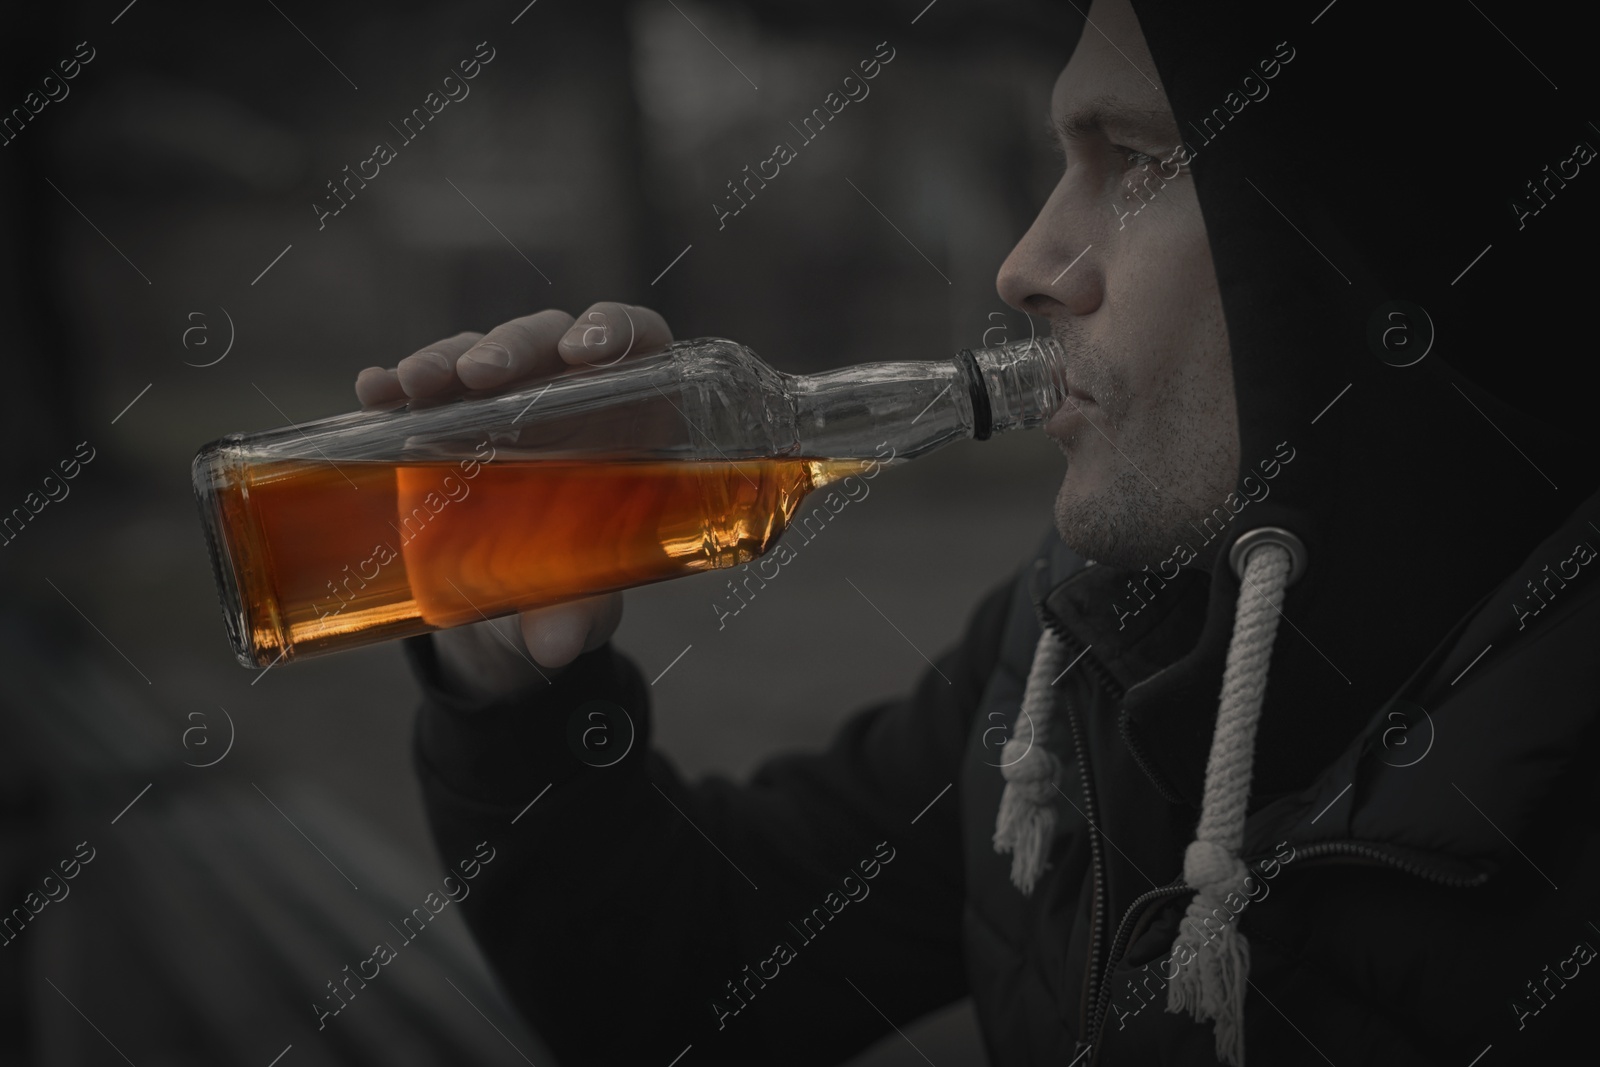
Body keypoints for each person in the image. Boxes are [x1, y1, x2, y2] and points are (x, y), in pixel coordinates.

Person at [354, 0, 1600, 1062]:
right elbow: (681, 979)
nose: (1023, 265)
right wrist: (500, 674)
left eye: (1141, 161)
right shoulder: (1075, 641)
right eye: (1057, 158)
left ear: (1375, 241)